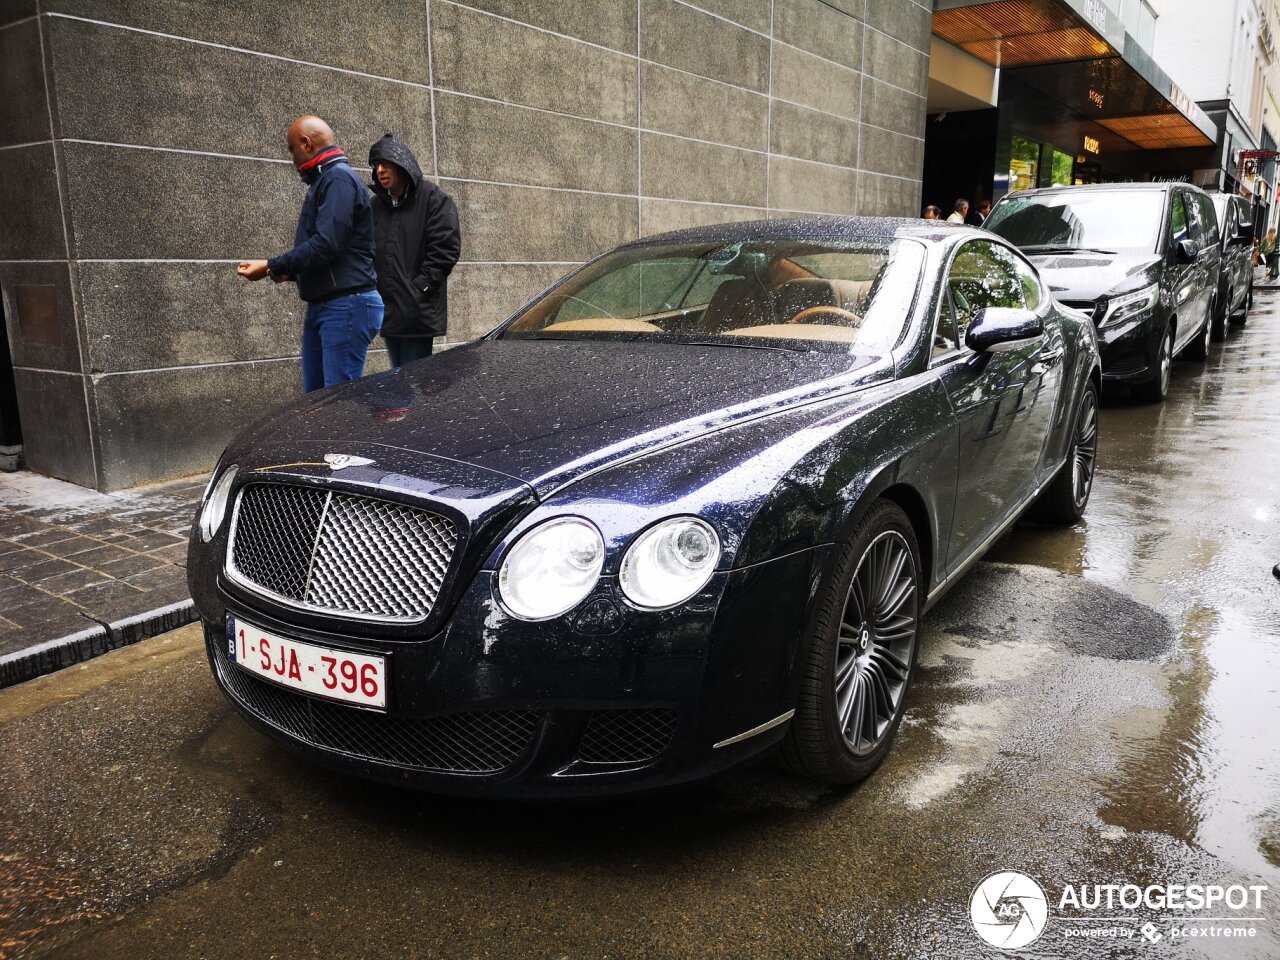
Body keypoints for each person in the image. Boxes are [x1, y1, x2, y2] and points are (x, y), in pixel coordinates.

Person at [237, 115, 383, 393]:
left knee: (336, 405)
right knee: (318, 404)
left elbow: (328, 243)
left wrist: (272, 264)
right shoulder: (329, 179)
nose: (292, 158)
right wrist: (287, 271)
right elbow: (337, 251)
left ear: (306, 143)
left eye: (292, 149)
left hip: (345, 305)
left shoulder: (337, 178)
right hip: (333, 304)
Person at [367, 133, 461, 367]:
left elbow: (446, 248)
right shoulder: (376, 206)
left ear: (402, 164)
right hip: (388, 312)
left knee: (414, 386)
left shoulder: (433, 198)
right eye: (376, 165)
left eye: (386, 164)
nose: (380, 170)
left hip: (417, 312)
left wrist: (420, 288)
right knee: (399, 388)